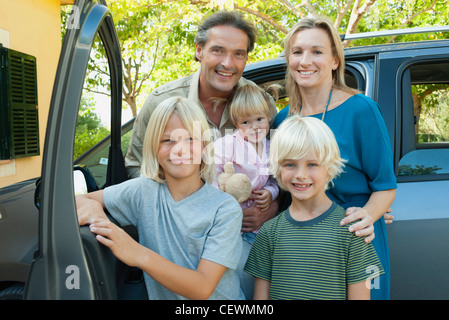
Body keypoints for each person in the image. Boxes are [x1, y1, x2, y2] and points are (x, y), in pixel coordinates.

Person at [272, 17, 396, 299]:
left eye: (317, 52)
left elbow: (385, 185)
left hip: (355, 234)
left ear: (335, 60)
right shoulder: (282, 120)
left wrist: (371, 213)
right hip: (303, 239)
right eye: (297, 51)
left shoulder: (361, 109)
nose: (305, 61)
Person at [76, 96, 245, 300]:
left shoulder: (225, 209)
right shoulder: (143, 191)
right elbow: (80, 200)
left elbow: (202, 288)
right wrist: (96, 212)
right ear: (154, 148)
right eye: (168, 140)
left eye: (190, 139)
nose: (180, 149)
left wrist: (137, 253)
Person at [125, 10, 278, 234]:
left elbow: (283, 165)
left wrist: (271, 207)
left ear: (246, 58)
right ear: (199, 50)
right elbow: (137, 167)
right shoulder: (162, 101)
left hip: (248, 238)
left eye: (238, 54)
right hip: (180, 230)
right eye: (218, 51)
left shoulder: (261, 106)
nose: (228, 63)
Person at [245, 116, 384, 300]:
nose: (301, 175)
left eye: (312, 164)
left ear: (328, 166)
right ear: (278, 167)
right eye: (290, 164)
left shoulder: (352, 231)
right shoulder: (269, 233)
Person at [212, 84, 279, 298]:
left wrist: (271, 192)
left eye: (259, 119)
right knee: (241, 279)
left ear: (269, 116)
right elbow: (212, 177)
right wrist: (227, 199)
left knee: (262, 282)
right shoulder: (227, 145)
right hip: (235, 228)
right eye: (246, 122)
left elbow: (276, 181)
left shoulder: (273, 147)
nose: (254, 127)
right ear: (236, 124)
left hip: (263, 230)